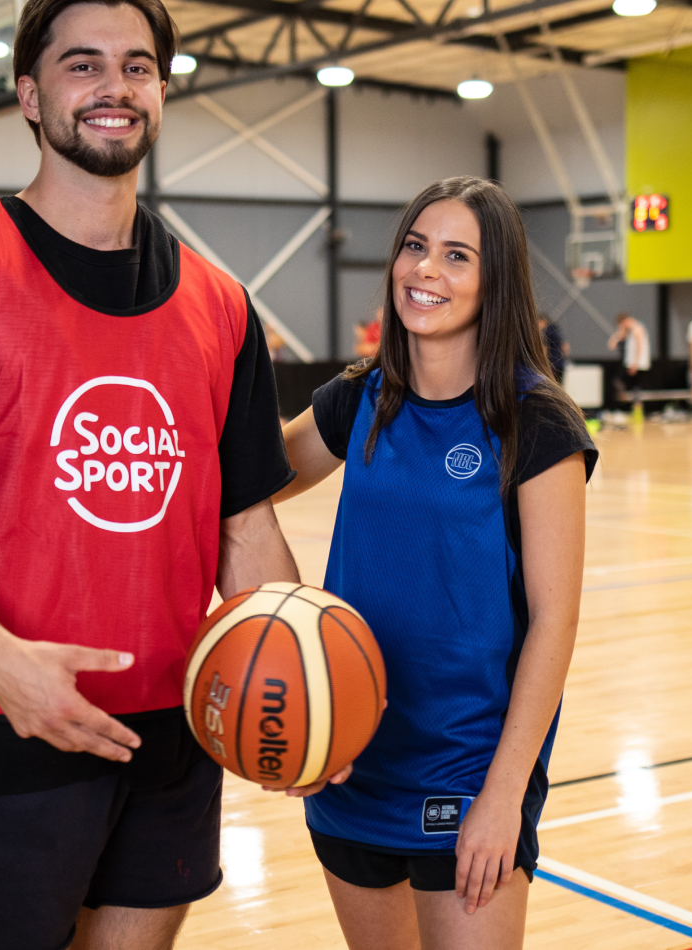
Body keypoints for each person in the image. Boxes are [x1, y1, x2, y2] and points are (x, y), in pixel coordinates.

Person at [0, 0, 299, 950]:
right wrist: (2, 664)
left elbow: (247, 525)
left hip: (178, 725)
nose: (114, 85)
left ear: (163, 92)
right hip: (7, 720)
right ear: (29, 95)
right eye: (81, 63)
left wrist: (302, 677)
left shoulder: (221, 306)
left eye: (139, 66)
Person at [274, 177, 594, 950]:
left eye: (457, 256)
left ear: (496, 282)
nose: (426, 270)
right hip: (350, 760)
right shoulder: (359, 399)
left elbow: (554, 622)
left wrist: (504, 795)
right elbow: (241, 494)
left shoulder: (534, 423)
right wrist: (289, 648)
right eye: (416, 247)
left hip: (468, 769)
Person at [607, 312, 651, 407]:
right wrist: (620, 331)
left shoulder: (637, 328)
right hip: (632, 363)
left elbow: (639, 346)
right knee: (633, 386)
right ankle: (635, 406)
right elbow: (611, 345)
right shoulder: (630, 330)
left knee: (634, 386)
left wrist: (635, 363)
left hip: (637, 363)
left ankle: (637, 407)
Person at [537, 313, 569, 382]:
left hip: (552, 364)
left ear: (544, 321)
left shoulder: (546, 331)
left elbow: (544, 348)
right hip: (560, 363)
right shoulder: (556, 329)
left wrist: (542, 363)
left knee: (551, 384)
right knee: (559, 385)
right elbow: (565, 346)